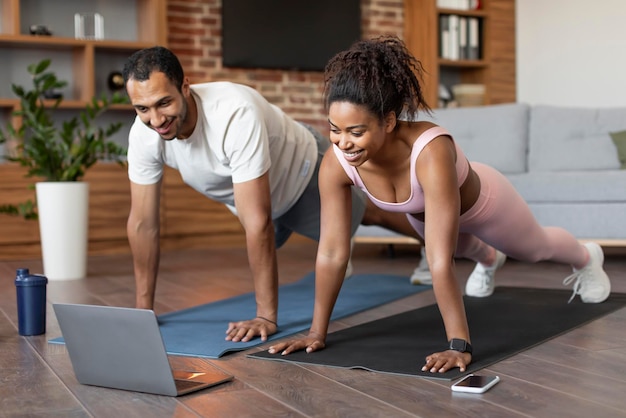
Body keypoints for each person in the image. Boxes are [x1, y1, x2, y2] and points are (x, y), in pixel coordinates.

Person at [267, 36, 612, 373]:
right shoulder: (335, 164)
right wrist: (316, 333)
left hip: (484, 205)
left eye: (356, 132)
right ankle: (489, 260)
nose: (344, 143)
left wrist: (458, 345)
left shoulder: (430, 150)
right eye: (334, 130)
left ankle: (586, 257)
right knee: (466, 250)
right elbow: (332, 252)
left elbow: (437, 260)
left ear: (388, 121)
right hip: (426, 214)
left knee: (534, 249)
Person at [121, 46, 425, 343]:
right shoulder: (144, 134)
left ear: (185, 86)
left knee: (373, 212)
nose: (156, 119)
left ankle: (437, 241)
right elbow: (143, 224)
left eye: (164, 103)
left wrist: (265, 316)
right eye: (142, 108)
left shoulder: (233, 112)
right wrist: (143, 308)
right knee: (293, 228)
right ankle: (339, 243)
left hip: (302, 173)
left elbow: (258, 222)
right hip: (259, 201)